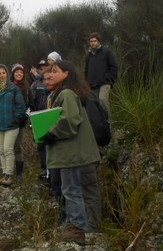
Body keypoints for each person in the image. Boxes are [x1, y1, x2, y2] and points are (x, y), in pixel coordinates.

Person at [41, 60, 101, 244]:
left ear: (66, 74)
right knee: (81, 191)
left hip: (71, 155)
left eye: (54, 71)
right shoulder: (70, 93)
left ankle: (77, 228)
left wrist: (50, 133)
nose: (49, 75)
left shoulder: (66, 93)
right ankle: (85, 228)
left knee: (71, 190)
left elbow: (69, 120)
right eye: (48, 72)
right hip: (78, 154)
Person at [0, 64, 27, 186]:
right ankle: (4, 174)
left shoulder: (14, 89)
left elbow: (21, 107)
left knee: (8, 149)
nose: (2, 75)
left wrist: (15, 119)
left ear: (7, 74)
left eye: (3, 73)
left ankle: (9, 175)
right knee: (1, 150)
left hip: (11, 125)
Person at [84, 32, 118, 118]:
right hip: (92, 85)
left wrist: (110, 79)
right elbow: (86, 69)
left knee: (102, 100)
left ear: (98, 41)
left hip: (105, 83)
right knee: (94, 104)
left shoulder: (106, 52)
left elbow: (113, 66)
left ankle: (108, 121)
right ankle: (100, 124)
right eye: (91, 41)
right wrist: (86, 81)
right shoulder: (89, 55)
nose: (93, 43)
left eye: (94, 41)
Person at [29, 60, 50, 181]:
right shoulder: (34, 85)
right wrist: (32, 120)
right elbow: (31, 103)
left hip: (50, 116)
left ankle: (51, 172)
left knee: (51, 145)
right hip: (38, 117)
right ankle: (44, 169)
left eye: (45, 67)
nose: (43, 70)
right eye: (40, 68)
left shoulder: (51, 82)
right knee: (41, 146)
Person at [11, 63, 30, 182]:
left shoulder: (26, 88)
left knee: (17, 147)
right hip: (8, 122)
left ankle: (19, 174)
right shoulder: (7, 87)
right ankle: (8, 172)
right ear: (13, 74)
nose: (19, 74)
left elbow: (29, 104)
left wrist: (24, 117)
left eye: (21, 72)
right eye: (17, 72)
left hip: (19, 122)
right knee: (7, 148)